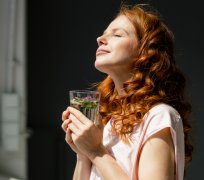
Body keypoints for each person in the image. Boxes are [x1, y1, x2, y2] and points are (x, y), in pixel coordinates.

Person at [61, 4, 193, 180]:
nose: (100, 38)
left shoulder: (159, 116)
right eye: (104, 33)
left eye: (117, 34)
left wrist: (96, 151)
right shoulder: (109, 122)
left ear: (146, 51)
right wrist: (83, 152)